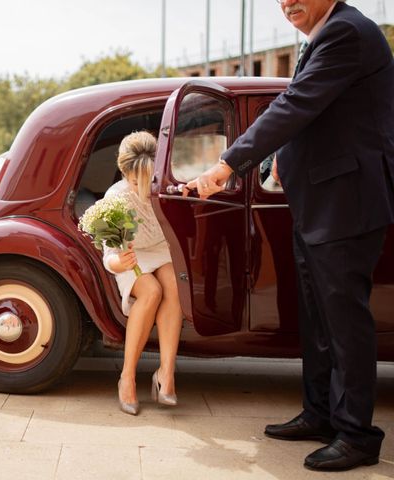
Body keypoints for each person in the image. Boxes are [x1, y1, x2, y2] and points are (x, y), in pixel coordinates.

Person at [186, 0, 394, 472]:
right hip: (321, 201)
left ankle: (358, 435)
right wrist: (277, 159)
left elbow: (295, 104)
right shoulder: (324, 35)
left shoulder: (346, 33)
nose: (287, 2)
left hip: (347, 202)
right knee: (318, 319)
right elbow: (313, 114)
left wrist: (225, 165)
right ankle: (320, 414)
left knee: (344, 322)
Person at [103, 131, 183, 416]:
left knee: (174, 285)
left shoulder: (164, 183)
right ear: (125, 173)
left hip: (162, 249)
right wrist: (120, 264)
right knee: (151, 292)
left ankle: (166, 374)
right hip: (131, 256)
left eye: (149, 178)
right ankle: (127, 376)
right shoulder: (116, 198)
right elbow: (109, 257)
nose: (144, 187)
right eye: (137, 181)